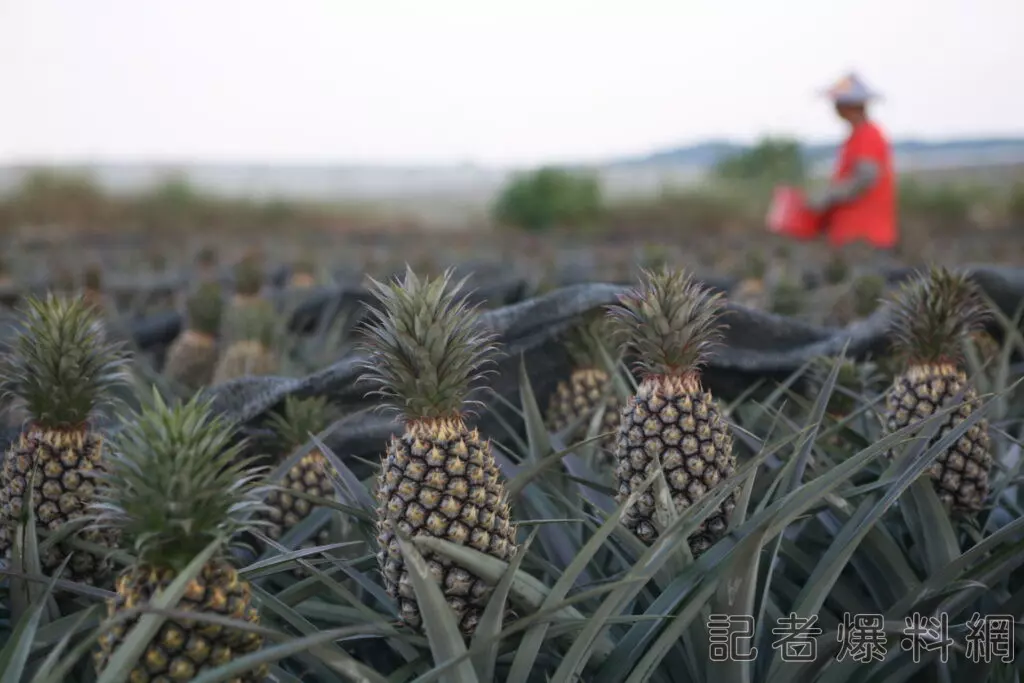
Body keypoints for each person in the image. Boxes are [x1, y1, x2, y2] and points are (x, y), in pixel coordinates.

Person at [806, 73, 898, 251]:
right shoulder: (857, 136)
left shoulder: (868, 135)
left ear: (851, 106)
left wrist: (827, 196)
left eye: (839, 103)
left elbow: (863, 179)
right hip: (852, 235)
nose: (835, 108)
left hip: (865, 237)